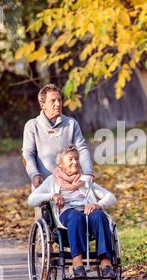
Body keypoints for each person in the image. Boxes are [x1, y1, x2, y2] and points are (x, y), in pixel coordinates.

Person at [28, 145, 117, 280]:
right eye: (70, 159)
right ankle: (77, 264)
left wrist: (97, 205)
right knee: (76, 216)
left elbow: (110, 196)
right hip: (67, 217)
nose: (75, 162)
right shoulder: (52, 180)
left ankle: (106, 263)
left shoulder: (85, 180)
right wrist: (52, 195)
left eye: (76, 159)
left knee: (100, 215)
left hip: (88, 214)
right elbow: (32, 199)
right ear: (60, 163)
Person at [22, 83, 94, 219]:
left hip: (71, 185)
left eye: (59, 100)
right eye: (52, 101)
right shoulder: (33, 126)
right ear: (42, 104)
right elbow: (28, 154)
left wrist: (89, 172)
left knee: (77, 219)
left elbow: (82, 149)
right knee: (43, 225)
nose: (58, 104)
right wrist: (34, 175)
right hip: (45, 186)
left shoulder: (71, 124)